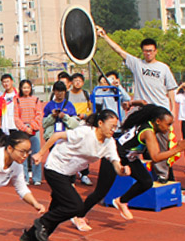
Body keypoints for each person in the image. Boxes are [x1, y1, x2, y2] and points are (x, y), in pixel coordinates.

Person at [21, 110, 130, 241]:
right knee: (75, 206)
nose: (113, 129)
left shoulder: (109, 143)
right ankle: (42, 222)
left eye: (116, 127)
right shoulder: (85, 132)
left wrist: (122, 170)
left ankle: (31, 237)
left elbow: (116, 163)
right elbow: (57, 135)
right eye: (111, 126)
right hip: (55, 167)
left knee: (57, 208)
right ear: (100, 123)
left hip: (67, 174)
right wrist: (40, 154)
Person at [72, 105, 185, 230]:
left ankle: (121, 201)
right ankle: (78, 216)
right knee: (101, 192)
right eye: (168, 124)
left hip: (129, 157)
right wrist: (177, 149)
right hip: (113, 156)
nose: (169, 128)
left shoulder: (149, 126)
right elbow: (155, 157)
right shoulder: (148, 132)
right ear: (158, 121)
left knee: (146, 182)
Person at [98, 28, 178, 183]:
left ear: (156, 51)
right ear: (142, 52)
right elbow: (119, 51)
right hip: (143, 111)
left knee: (161, 143)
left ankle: (162, 174)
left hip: (160, 111)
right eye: (145, 51)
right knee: (132, 139)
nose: (148, 53)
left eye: (151, 51)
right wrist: (105, 36)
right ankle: (126, 169)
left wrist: (172, 110)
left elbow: (171, 90)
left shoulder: (163, 68)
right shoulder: (137, 64)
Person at [13, 79, 43, 185]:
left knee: (36, 154)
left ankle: (37, 178)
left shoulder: (36, 100)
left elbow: (39, 115)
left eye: (28, 87)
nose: (26, 90)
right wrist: (25, 128)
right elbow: (16, 118)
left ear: (31, 88)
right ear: (21, 89)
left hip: (34, 130)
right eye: (24, 87)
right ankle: (24, 178)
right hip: (22, 130)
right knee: (22, 155)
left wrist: (32, 127)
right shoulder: (17, 100)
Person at [68, 73, 94, 185]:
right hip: (71, 125)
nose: (77, 82)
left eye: (80, 81)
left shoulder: (86, 94)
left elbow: (92, 110)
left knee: (84, 150)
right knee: (72, 150)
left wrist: (85, 116)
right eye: (75, 80)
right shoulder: (67, 95)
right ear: (71, 82)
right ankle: (71, 176)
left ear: (83, 83)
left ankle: (84, 174)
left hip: (84, 124)